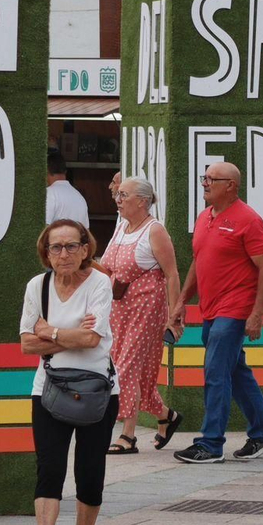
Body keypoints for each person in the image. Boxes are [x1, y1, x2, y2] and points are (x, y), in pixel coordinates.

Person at [16, 219, 117, 525]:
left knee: (90, 474)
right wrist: (69, 337)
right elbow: (27, 343)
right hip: (48, 387)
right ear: (46, 252)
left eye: (72, 246)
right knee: (49, 470)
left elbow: (92, 340)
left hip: (97, 390)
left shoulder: (100, 283)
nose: (64, 254)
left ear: (86, 248)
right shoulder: (37, 286)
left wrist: (51, 331)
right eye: (56, 248)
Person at [169, 162, 263, 464]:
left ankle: (211, 443)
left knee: (216, 372)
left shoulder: (248, 220)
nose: (204, 183)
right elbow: (198, 260)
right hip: (211, 309)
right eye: (204, 178)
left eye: (211, 179)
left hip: (235, 309)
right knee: (235, 371)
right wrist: (182, 301)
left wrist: (258, 314)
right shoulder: (206, 216)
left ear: (230, 185)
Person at [99, 177, 182, 455]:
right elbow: (108, 269)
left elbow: (171, 274)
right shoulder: (122, 227)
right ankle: (166, 416)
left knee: (127, 368)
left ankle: (128, 435)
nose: (118, 199)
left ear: (142, 202)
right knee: (131, 371)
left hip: (145, 311)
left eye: (124, 195)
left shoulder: (154, 230)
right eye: (118, 194)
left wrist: (174, 315)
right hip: (118, 310)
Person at [45, 149, 89, 228]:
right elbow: (86, 231)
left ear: (46, 171)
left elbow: (44, 228)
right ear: (65, 172)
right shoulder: (79, 197)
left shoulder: (49, 194)